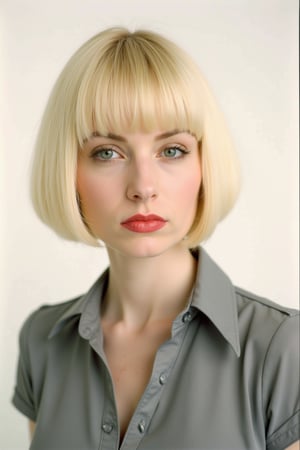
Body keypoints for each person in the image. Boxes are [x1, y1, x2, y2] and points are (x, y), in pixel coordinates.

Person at [12, 27, 299, 450]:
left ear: (205, 164)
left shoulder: (283, 350)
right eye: (108, 152)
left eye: (172, 150)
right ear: (67, 171)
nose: (143, 187)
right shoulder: (42, 340)